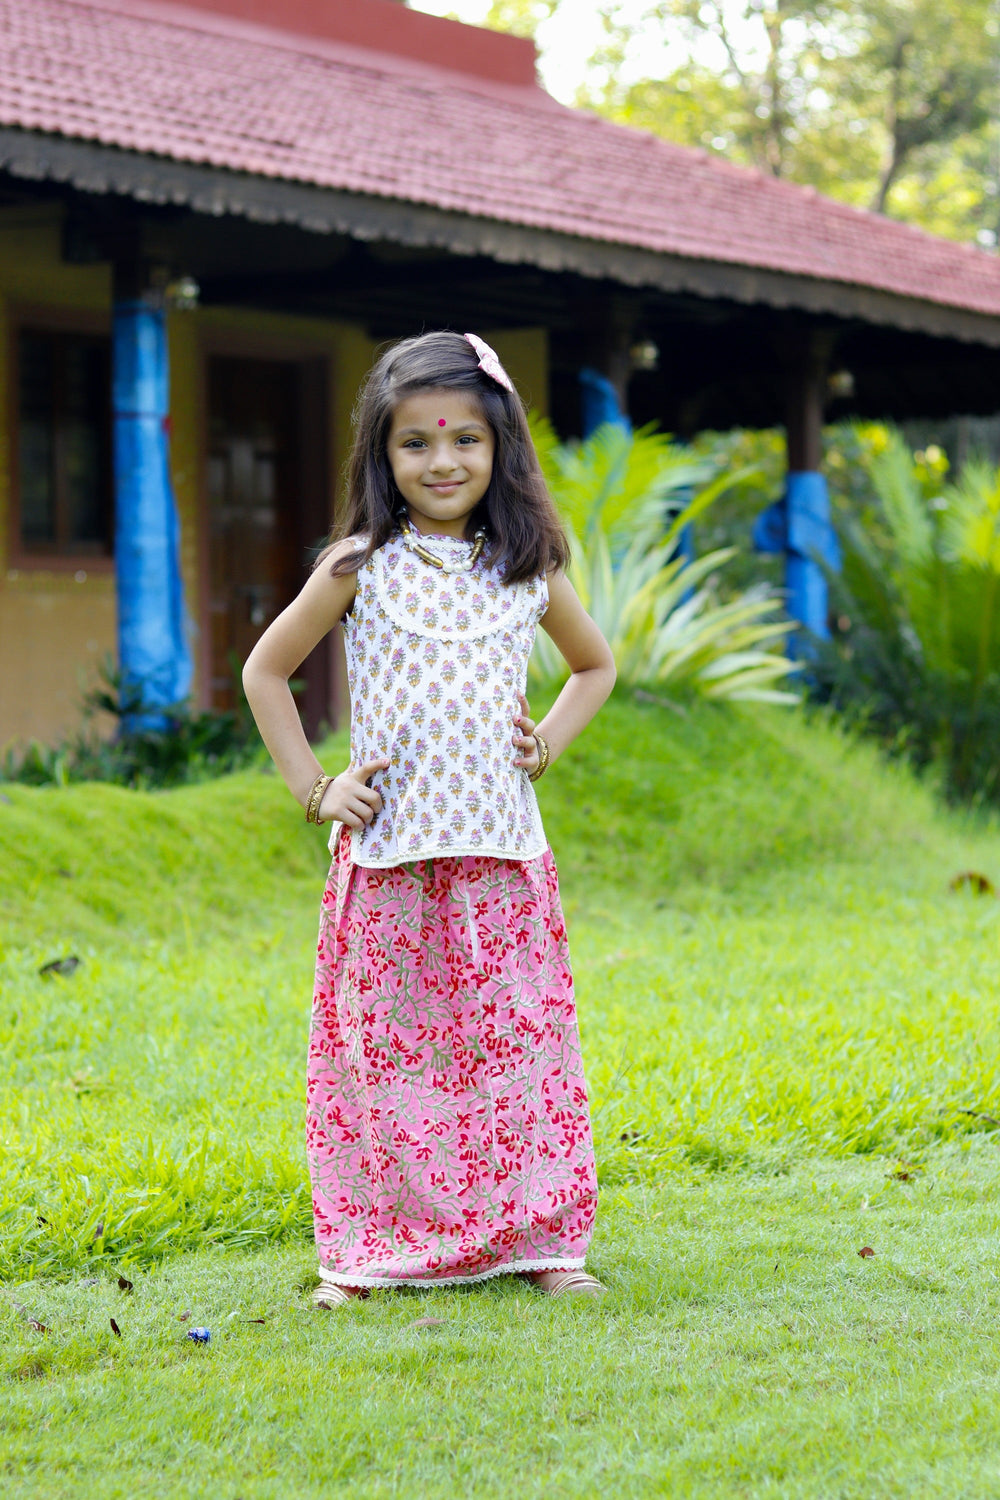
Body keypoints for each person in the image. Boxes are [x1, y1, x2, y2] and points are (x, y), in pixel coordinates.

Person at [243, 330, 616, 1306]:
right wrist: (316, 788)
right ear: (383, 453)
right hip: (391, 862)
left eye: (463, 440)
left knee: (517, 1054)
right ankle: (371, 1249)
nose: (441, 461)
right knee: (385, 1059)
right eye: (415, 442)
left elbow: (594, 666)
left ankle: (540, 1240)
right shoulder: (357, 566)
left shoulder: (527, 566)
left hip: (502, 861)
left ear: (499, 447)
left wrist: (547, 742)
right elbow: (265, 671)